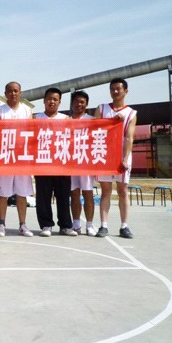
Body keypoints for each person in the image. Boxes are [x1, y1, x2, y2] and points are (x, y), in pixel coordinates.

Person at [94, 78, 137, 239]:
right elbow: (94, 128)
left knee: (122, 190)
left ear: (126, 91)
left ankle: (124, 226)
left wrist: (125, 158)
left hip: (121, 156)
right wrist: (111, 122)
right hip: (104, 154)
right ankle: (103, 225)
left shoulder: (131, 113)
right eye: (112, 89)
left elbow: (129, 137)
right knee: (105, 191)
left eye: (118, 88)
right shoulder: (102, 109)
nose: (115, 91)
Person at [34, 88, 77, 237]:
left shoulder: (66, 119)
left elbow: (72, 140)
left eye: (55, 99)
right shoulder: (36, 118)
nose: (51, 102)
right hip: (42, 163)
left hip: (61, 163)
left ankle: (65, 225)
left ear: (59, 102)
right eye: (49, 99)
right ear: (44, 100)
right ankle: (46, 225)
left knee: (63, 196)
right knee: (43, 196)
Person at [0, 81, 34, 237]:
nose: (13, 93)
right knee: (3, 193)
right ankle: (2, 224)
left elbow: (31, 132)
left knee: (22, 193)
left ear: (20, 93)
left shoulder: (27, 111)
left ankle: (22, 224)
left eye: (16, 91)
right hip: (5, 157)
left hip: (22, 157)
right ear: (5, 94)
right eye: (10, 91)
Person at [69, 90, 97, 236]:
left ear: (86, 104)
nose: (79, 104)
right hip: (70, 163)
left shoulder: (93, 120)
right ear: (72, 103)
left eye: (82, 102)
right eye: (76, 102)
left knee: (88, 193)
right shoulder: (66, 121)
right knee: (74, 194)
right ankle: (76, 223)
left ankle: (90, 225)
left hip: (86, 162)